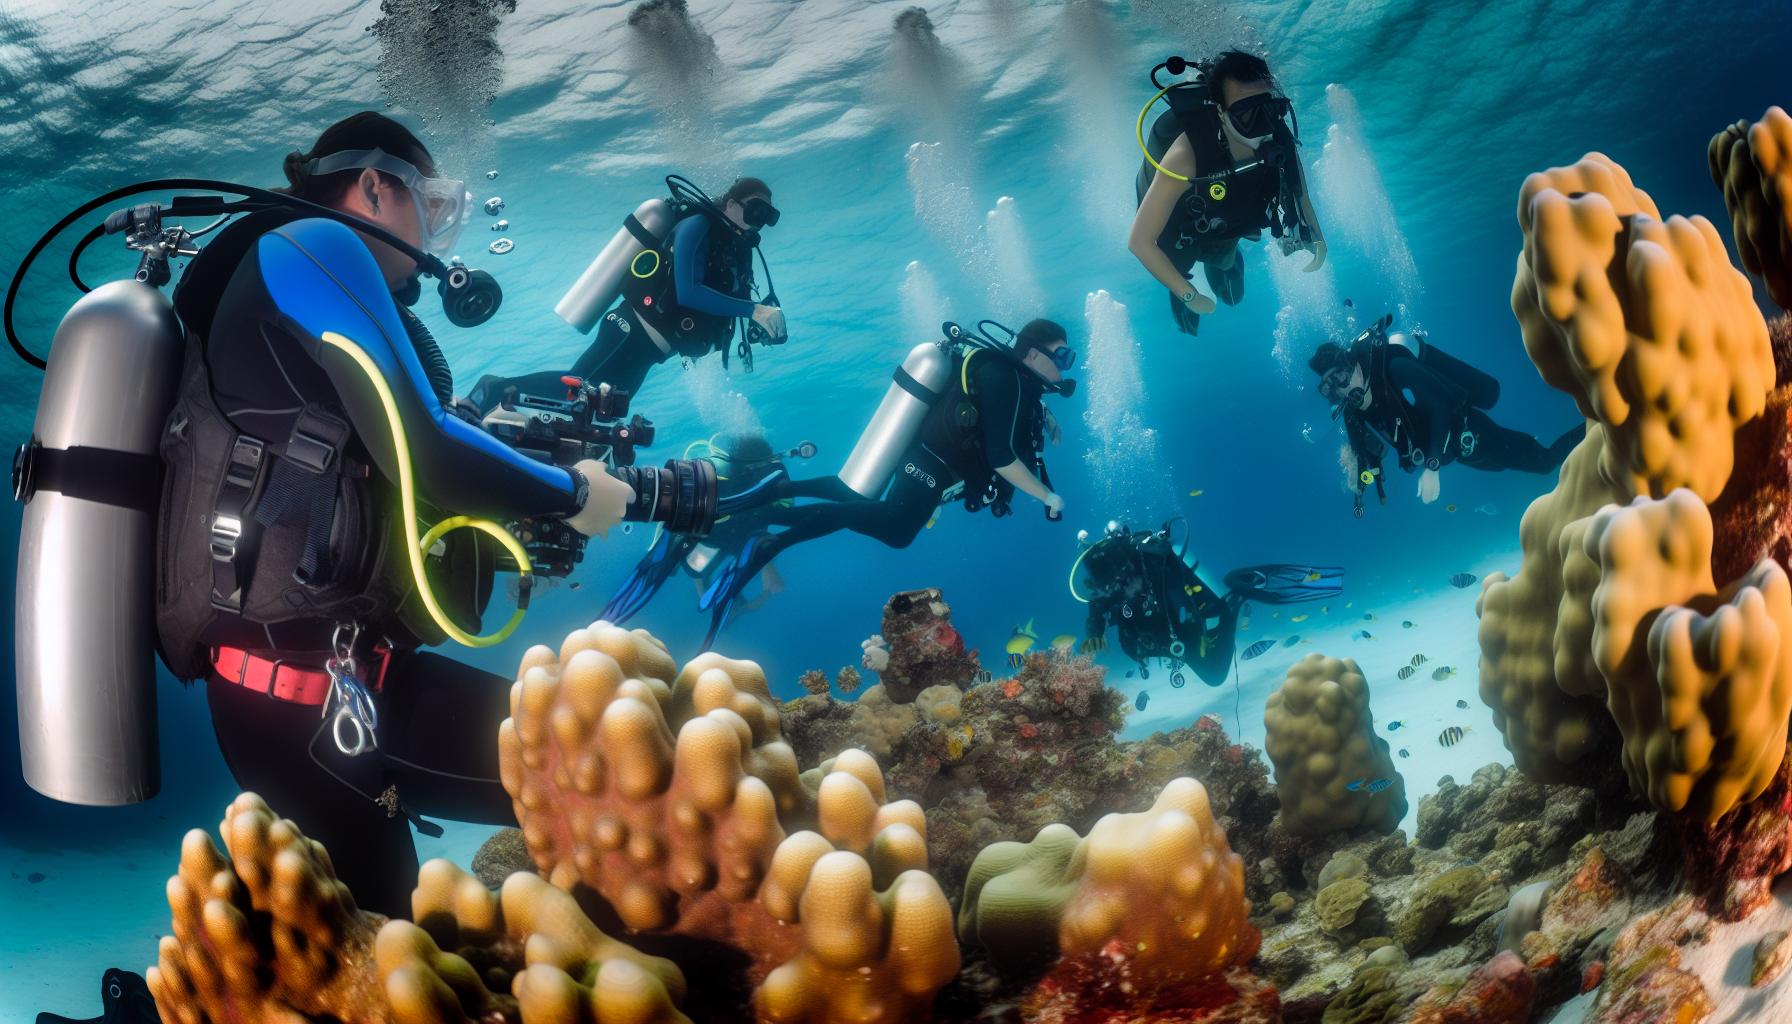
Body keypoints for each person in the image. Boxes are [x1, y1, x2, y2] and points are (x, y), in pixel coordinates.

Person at [154, 112, 635, 914]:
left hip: (310, 693)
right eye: (431, 204)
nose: (437, 233)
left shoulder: (278, 269)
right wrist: (576, 493)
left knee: (389, 940)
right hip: (312, 702)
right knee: (610, 782)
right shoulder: (315, 243)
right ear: (374, 187)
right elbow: (426, 445)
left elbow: (368, 482)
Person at [694, 319, 1077, 646]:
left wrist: (1043, 414)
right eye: (1061, 357)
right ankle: (771, 543)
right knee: (893, 529)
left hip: (922, 458)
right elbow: (1002, 458)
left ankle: (769, 499)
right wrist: (1047, 496)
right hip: (930, 466)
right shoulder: (1005, 378)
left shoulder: (1006, 376)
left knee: (850, 492)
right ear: (1032, 355)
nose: (1064, 368)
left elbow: (998, 409)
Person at [1129, 50, 1325, 336]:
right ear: (1220, 112)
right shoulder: (1186, 155)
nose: (1264, 127)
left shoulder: (1277, 134)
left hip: (1225, 214)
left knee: (1225, 260)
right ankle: (1180, 286)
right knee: (1177, 263)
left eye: (1270, 110)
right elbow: (1140, 242)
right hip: (1178, 225)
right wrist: (1189, 295)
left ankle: (1223, 263)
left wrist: (1318, 240)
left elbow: (1300, 194)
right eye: (1247, 115)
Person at [1310, 314, 1584, 513]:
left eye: (1340, 377)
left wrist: (1432, 467)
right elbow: (1363, 456)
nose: (1341, 389)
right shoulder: (1353, 412)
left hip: (1471, 432)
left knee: (1545, 462)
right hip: (1458, 454)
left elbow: (1441, 406)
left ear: (1352, 365)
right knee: (1502, 464)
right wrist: (1362, 479)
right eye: (1329, 387)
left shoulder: (1396, 369)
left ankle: (1596, 425)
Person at [569, 176, 786, 395]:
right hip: (627, 331)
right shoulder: (696, 225)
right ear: (730, 204)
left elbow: (735, 303)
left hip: (652, 352)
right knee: (571, 394)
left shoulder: (739, 250)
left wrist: (760, 323)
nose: (757, 222)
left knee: (604, 410)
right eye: (755, 210)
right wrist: (754, 310)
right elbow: (689, 293)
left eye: (766, 216)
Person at [1074, 521, 1342, 684]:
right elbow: (1096, 606)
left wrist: (1201, 628)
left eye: (1115, 578)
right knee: (1213, 674)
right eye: (1106, 582)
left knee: (1214, 673)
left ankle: (1238, 592)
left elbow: (1191, 595)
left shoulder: (1151, 563)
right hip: (1163, 640)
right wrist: (1094, 631)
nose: (1113, 585)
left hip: (1179, 630)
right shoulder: (1110, 583)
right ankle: (1234, 597)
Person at [602, 431, 816, 624]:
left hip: (738, 534)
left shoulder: (769, 480)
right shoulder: (720, 476)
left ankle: (734, 602)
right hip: (716, 534)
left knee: (708, 570)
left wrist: (764, 580)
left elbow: (774, 517)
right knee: (697, 568)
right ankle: (733, 602)